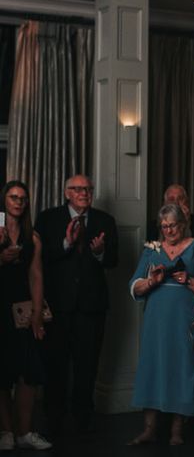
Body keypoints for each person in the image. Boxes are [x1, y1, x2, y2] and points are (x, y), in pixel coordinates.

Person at [35, 175, 118, 434]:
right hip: (58, 306)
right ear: (67, 193)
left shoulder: (105, 221)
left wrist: (98, 252)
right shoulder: (48, 218)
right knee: (55, 365)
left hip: (91, 308)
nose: (84, 193)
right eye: (78, 189)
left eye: (88, 189)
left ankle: (83, 420)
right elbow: (41, 258)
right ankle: (53, 419)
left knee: (87, 366)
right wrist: (66, 244)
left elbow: (113, 260)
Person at [128, 204, 194, 445]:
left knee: (182, 367)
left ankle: (177, 431)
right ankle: (149, 429)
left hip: (186, 317)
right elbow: (134, 286)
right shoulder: (152, 250)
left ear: (182, 224)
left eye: (172, 225)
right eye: (164, 227)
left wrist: (189, 280)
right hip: (156, 320)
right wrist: (151, 281)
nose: (168, 230)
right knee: (154, 366)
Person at [0, 181, 51, 451]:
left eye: (22, 198)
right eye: (12, 197)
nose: (18, 202)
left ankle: (25, 432)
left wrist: (37, 314)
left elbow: (36, 276)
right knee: (1, 372)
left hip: (22, 310)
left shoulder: (33, 237)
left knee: (27, 373)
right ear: (4, 201)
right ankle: (6, 432)